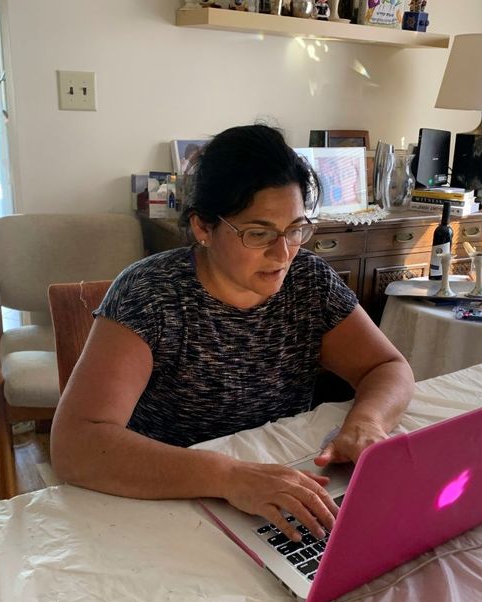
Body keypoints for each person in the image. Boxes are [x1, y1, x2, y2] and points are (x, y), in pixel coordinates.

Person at [51, 124, 415, 543]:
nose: (282, 255)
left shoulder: (308, 282)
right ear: (204, 228)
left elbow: (387, 366)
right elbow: (75, 445)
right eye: (257, 233)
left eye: (295, 229)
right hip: (166, 509)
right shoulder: (150, 296)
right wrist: (229, 476)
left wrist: (367, 422)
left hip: (279, 496)